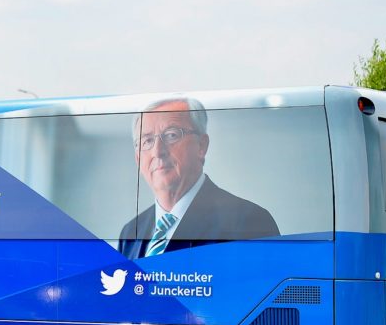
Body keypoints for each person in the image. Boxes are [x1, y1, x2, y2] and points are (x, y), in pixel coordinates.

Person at [118, 96, 279, 259]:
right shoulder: (130, 233)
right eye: (147, 141)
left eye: (172, 135)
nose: (158, 151)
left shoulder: (250, 221)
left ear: (201, 146)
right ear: (138, 159)